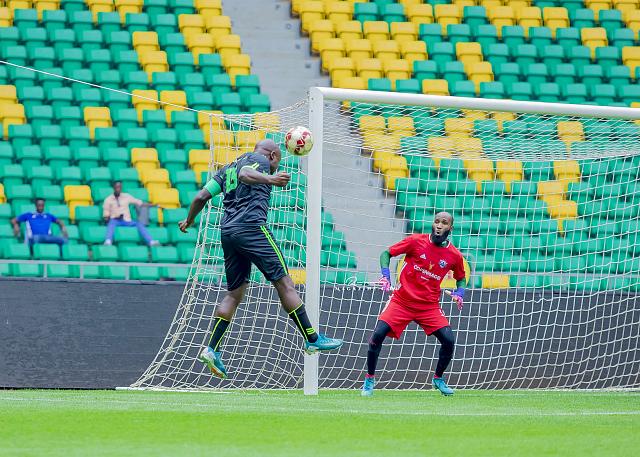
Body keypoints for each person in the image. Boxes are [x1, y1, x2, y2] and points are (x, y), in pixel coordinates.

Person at [179, 139, 343, 379]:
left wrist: (189, 220)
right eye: (277, 163)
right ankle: (312, 338)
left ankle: (212, 349)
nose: (275, 167)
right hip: (252, 228)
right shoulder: (260, 160)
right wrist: (271, 179)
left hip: (228, 232)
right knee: (285, 283)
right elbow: (246, 174)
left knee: (234, 294)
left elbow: (201, 197)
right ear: (273, 155)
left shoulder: (227, 168)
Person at [362, 212, 467, 397]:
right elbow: (386, 254)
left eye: (444, 223)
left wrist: (460, 293)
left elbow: (461, 278)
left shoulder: (455, 256)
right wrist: (385, 275)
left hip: (429, 306)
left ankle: (438, 378)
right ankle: (369, 379)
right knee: (377, 336)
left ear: (450, 228)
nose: (439, 225)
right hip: (402, 301)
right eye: (436, 221)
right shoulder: (416, 241)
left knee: (449, 340)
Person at [102, 181, 159, 246]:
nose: (118, 189)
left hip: (127, 220)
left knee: (139, 224)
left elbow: (139, 203)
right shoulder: (108, 200)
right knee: (111, 223)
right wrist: (114, 217)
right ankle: (108, 241)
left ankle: (151, 241)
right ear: (113, 188)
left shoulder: (126, 196)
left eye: (120, 187)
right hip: (115, 220)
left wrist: (153, 205)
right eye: (117, 187)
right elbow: (106, 216)